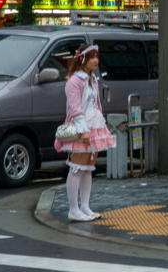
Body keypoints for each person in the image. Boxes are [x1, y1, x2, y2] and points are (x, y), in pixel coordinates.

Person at [54, 44, 116, 221]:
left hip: (94, 125)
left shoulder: (92, 79)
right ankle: (73, 209)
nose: (96, 60)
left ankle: (85, 207)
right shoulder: (74, 81)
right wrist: (83, 130)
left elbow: (95, 104)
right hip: (82, 127)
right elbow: (75, 108)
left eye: (97, 57)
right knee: (77, 168)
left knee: (88, 167)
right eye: (92, 57)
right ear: (83, 59)